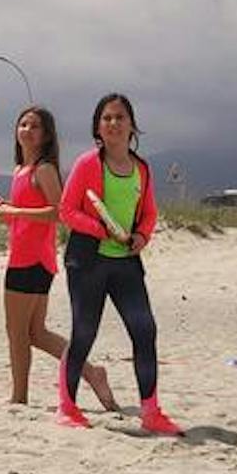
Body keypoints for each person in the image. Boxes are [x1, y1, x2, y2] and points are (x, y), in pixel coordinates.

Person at [54, 93, 181, 435]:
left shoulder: (142, 169)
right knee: (84, 332)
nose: (113, 123)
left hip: (126, 262)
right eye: (106, 118)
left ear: (131, 125)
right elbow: (67, 211)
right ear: (98, 126)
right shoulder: (87, 164)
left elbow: (150, 214)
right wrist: (102, 229)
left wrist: (141, 237)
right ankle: (67, 407)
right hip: (88, 261)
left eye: (119, 117)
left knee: (145, 330)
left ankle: (151, 412)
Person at [0, 106, 116, 409]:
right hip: (28, 257)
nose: (27, 130)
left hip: (31, 261)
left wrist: (15, 211)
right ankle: (92, 372)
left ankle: (19, 397)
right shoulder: (20, 170)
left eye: (35, 126)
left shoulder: (43, 169)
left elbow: (59, 213)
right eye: (23, 124)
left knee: (17, 333)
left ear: (46, 135)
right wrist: (6, 210)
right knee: (37, 333)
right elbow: (26, 217)